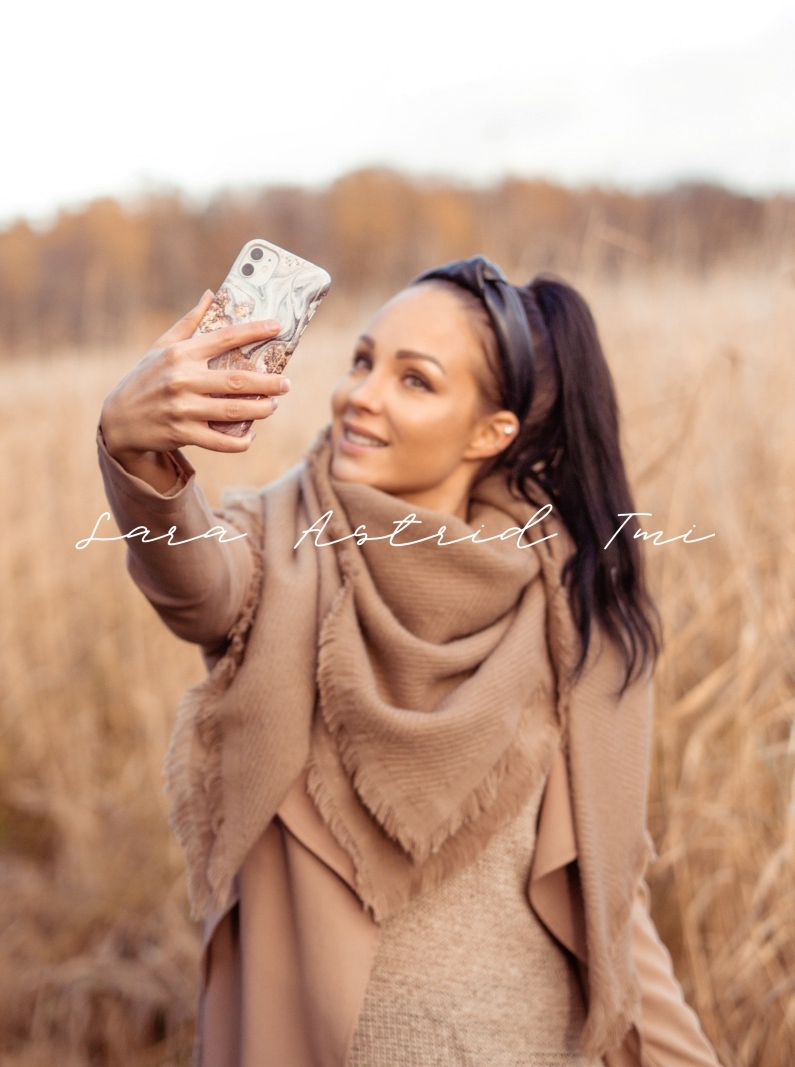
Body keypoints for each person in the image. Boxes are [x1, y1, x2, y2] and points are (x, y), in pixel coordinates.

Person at [97, 256, 724, 1067]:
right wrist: (136, 451)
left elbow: (611, 899)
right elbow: (196, 587)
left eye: (415, 379)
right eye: (363, 360)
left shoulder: (566, 591)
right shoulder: (274, 544)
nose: (361, 394)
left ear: (491, 432)